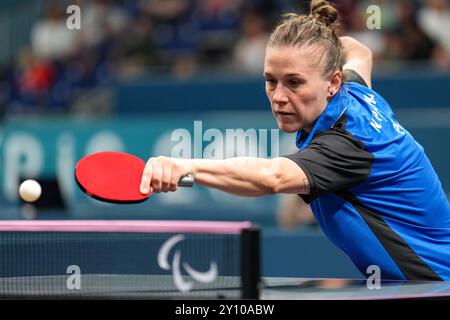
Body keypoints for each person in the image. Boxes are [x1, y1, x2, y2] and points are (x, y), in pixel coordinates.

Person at [140, 0, 450, 281]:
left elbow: (272, 177)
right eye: (270, 81)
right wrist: (320, 41)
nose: (278, 97)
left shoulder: (348, 143)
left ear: (332, 83)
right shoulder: (355, 93)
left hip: (437, 285)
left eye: (294, 82)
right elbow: (359, 51)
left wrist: (183, 168)